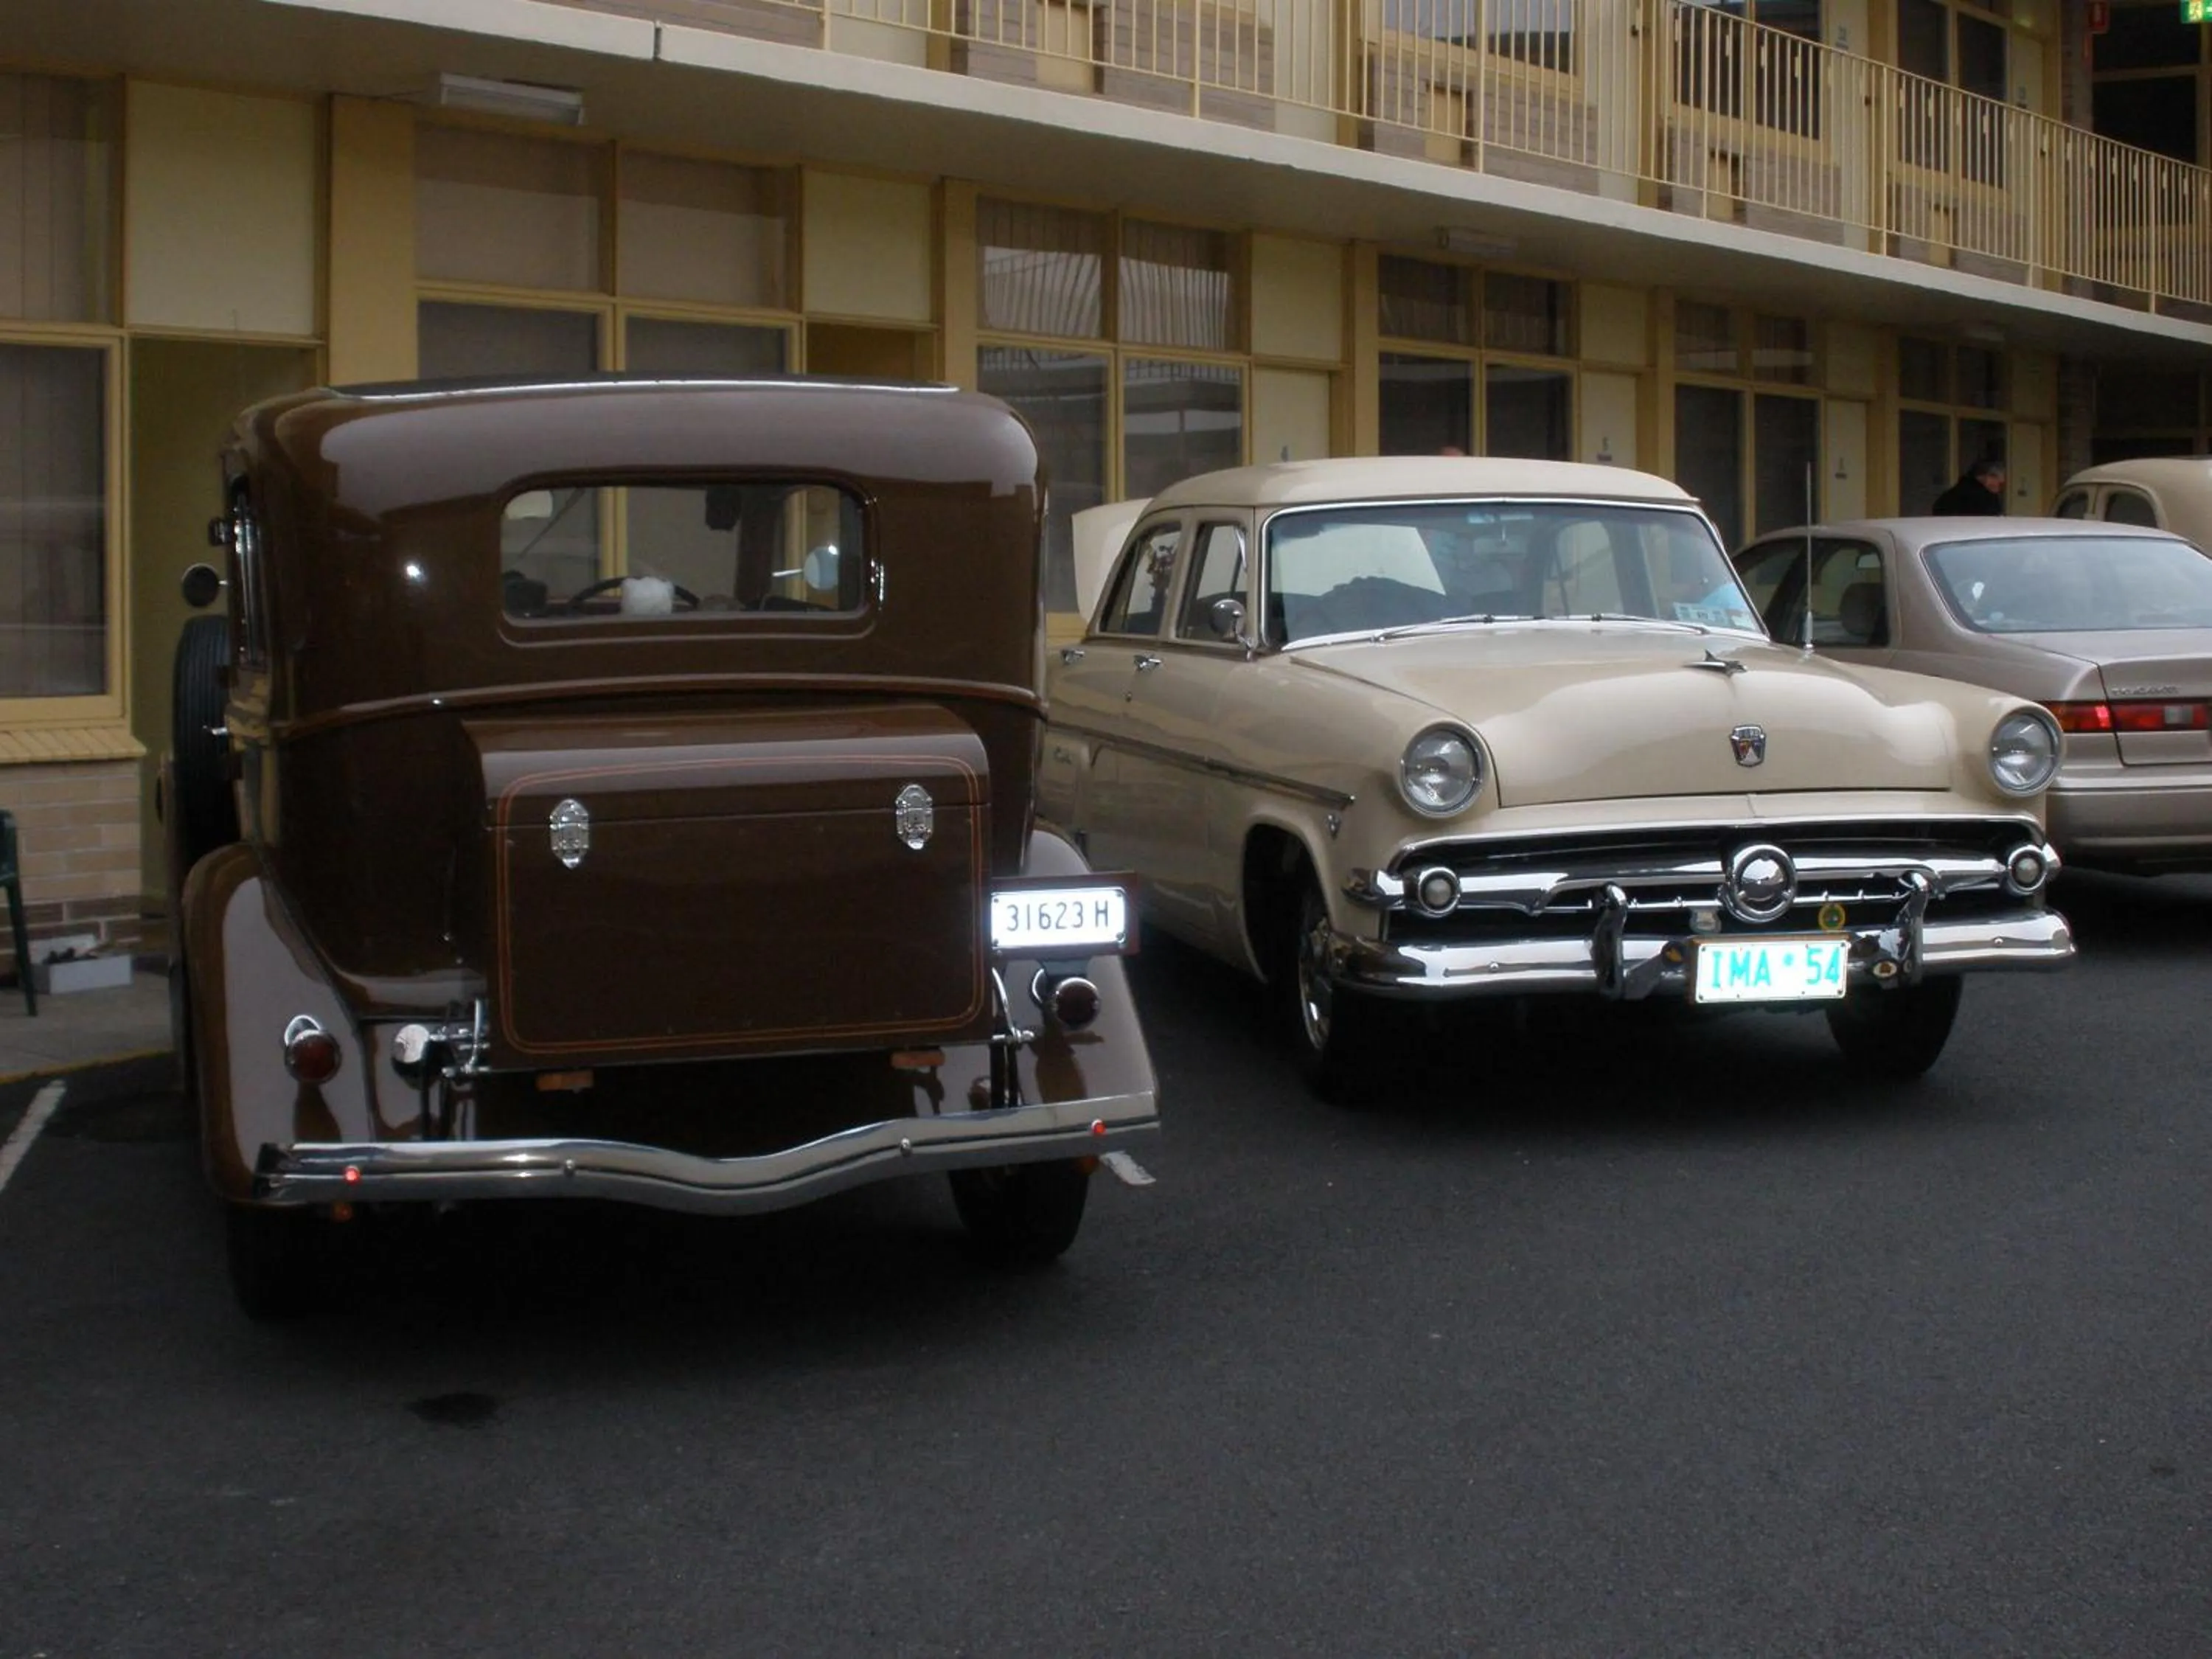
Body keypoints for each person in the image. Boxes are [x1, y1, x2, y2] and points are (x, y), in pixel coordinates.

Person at [1932, 457, 2006, 516]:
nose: (2000, 486)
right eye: (1998, 482)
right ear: (1985, 477)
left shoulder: (1950, 496)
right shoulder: (1986, 499)